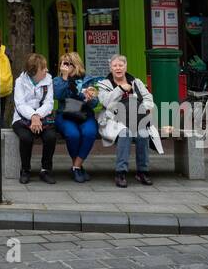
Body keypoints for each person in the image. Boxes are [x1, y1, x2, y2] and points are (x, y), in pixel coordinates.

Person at [97, 54, 154, 188]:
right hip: (114, 120)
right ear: (110, 68)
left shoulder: (136, 82)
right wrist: (121, 89)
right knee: (125, 133)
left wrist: (141, 109)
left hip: (135, 118)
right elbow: (106, 102)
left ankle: (142, 171)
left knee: (143, 134)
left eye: (121, 65)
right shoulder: (104, 84)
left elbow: (148, 99)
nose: (118, 68)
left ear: (125, 66)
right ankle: (120, 172)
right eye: (115, 65)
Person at [11, 52, 57, 184]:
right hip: (22, 119)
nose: (46, 70)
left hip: (43, 117)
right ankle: (25, 170)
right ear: (34, 71)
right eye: (43, 68)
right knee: (26, 138)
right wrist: (32, 116)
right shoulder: (20, 82)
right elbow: (20, 104)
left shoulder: (48, 80)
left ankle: (46, 170)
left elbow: (49, 103)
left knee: (50, 137)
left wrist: (37, 116)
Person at [54, 51, 99, 183]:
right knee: (73, 134)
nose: (66, 66)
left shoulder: (88, 80)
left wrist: (90, 97)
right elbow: (57, 95)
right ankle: (78, 167)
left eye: (69, 64)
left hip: (85, 114)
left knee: (89, 133)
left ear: (76, 64)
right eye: (63, 64)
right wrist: (64, 77)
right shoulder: (58, 80)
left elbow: (95, 103)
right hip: (66, 115)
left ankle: (76, 166)